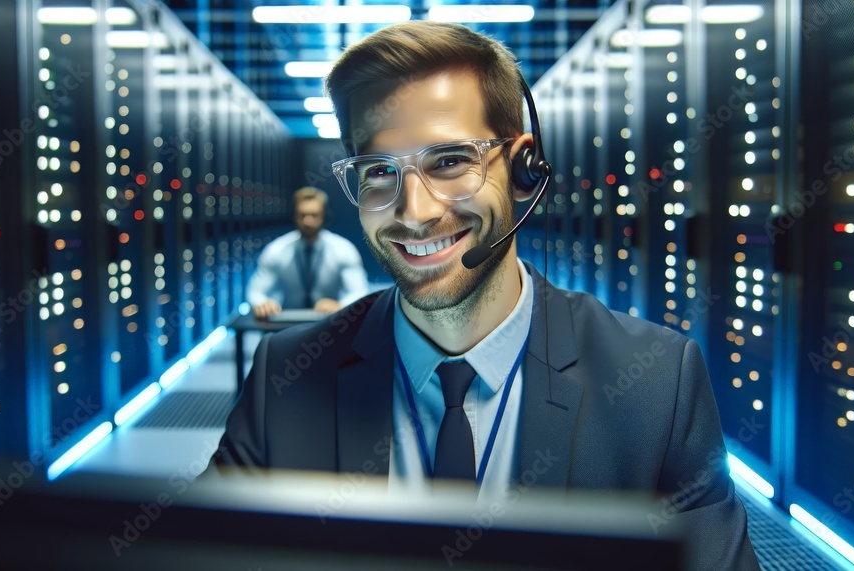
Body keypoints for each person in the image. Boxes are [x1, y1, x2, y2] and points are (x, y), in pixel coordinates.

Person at [209, 21, 759, 568]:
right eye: (379, 170)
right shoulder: (283, 380)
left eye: (449, 161)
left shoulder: (657, 383)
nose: (416, 213)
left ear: (523, 170)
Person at [245, 186, 369, 317]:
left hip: (330, 323)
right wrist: (263, 303)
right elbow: (255, 292)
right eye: (302, 215)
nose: (307, 221)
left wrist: (341, 306)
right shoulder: (276, 250)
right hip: (286, 325)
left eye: (314, 215)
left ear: (324, 216)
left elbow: (360, 292)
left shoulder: (344, 250)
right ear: (294, 216)